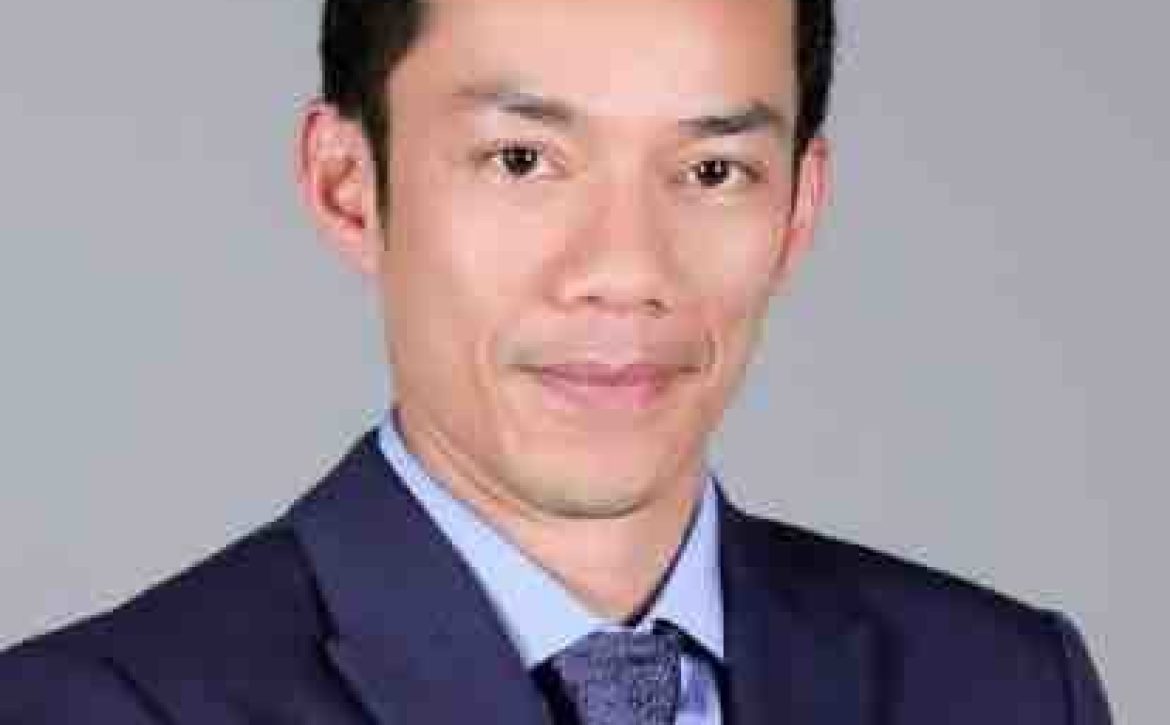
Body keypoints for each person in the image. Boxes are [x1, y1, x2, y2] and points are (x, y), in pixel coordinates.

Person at [0, 0, 1112, 722]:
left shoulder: (1007, 687)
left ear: (798, 208)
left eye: (713, 171)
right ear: (349, 185)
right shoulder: (95, 707)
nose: (624, 270)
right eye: (522, 159)